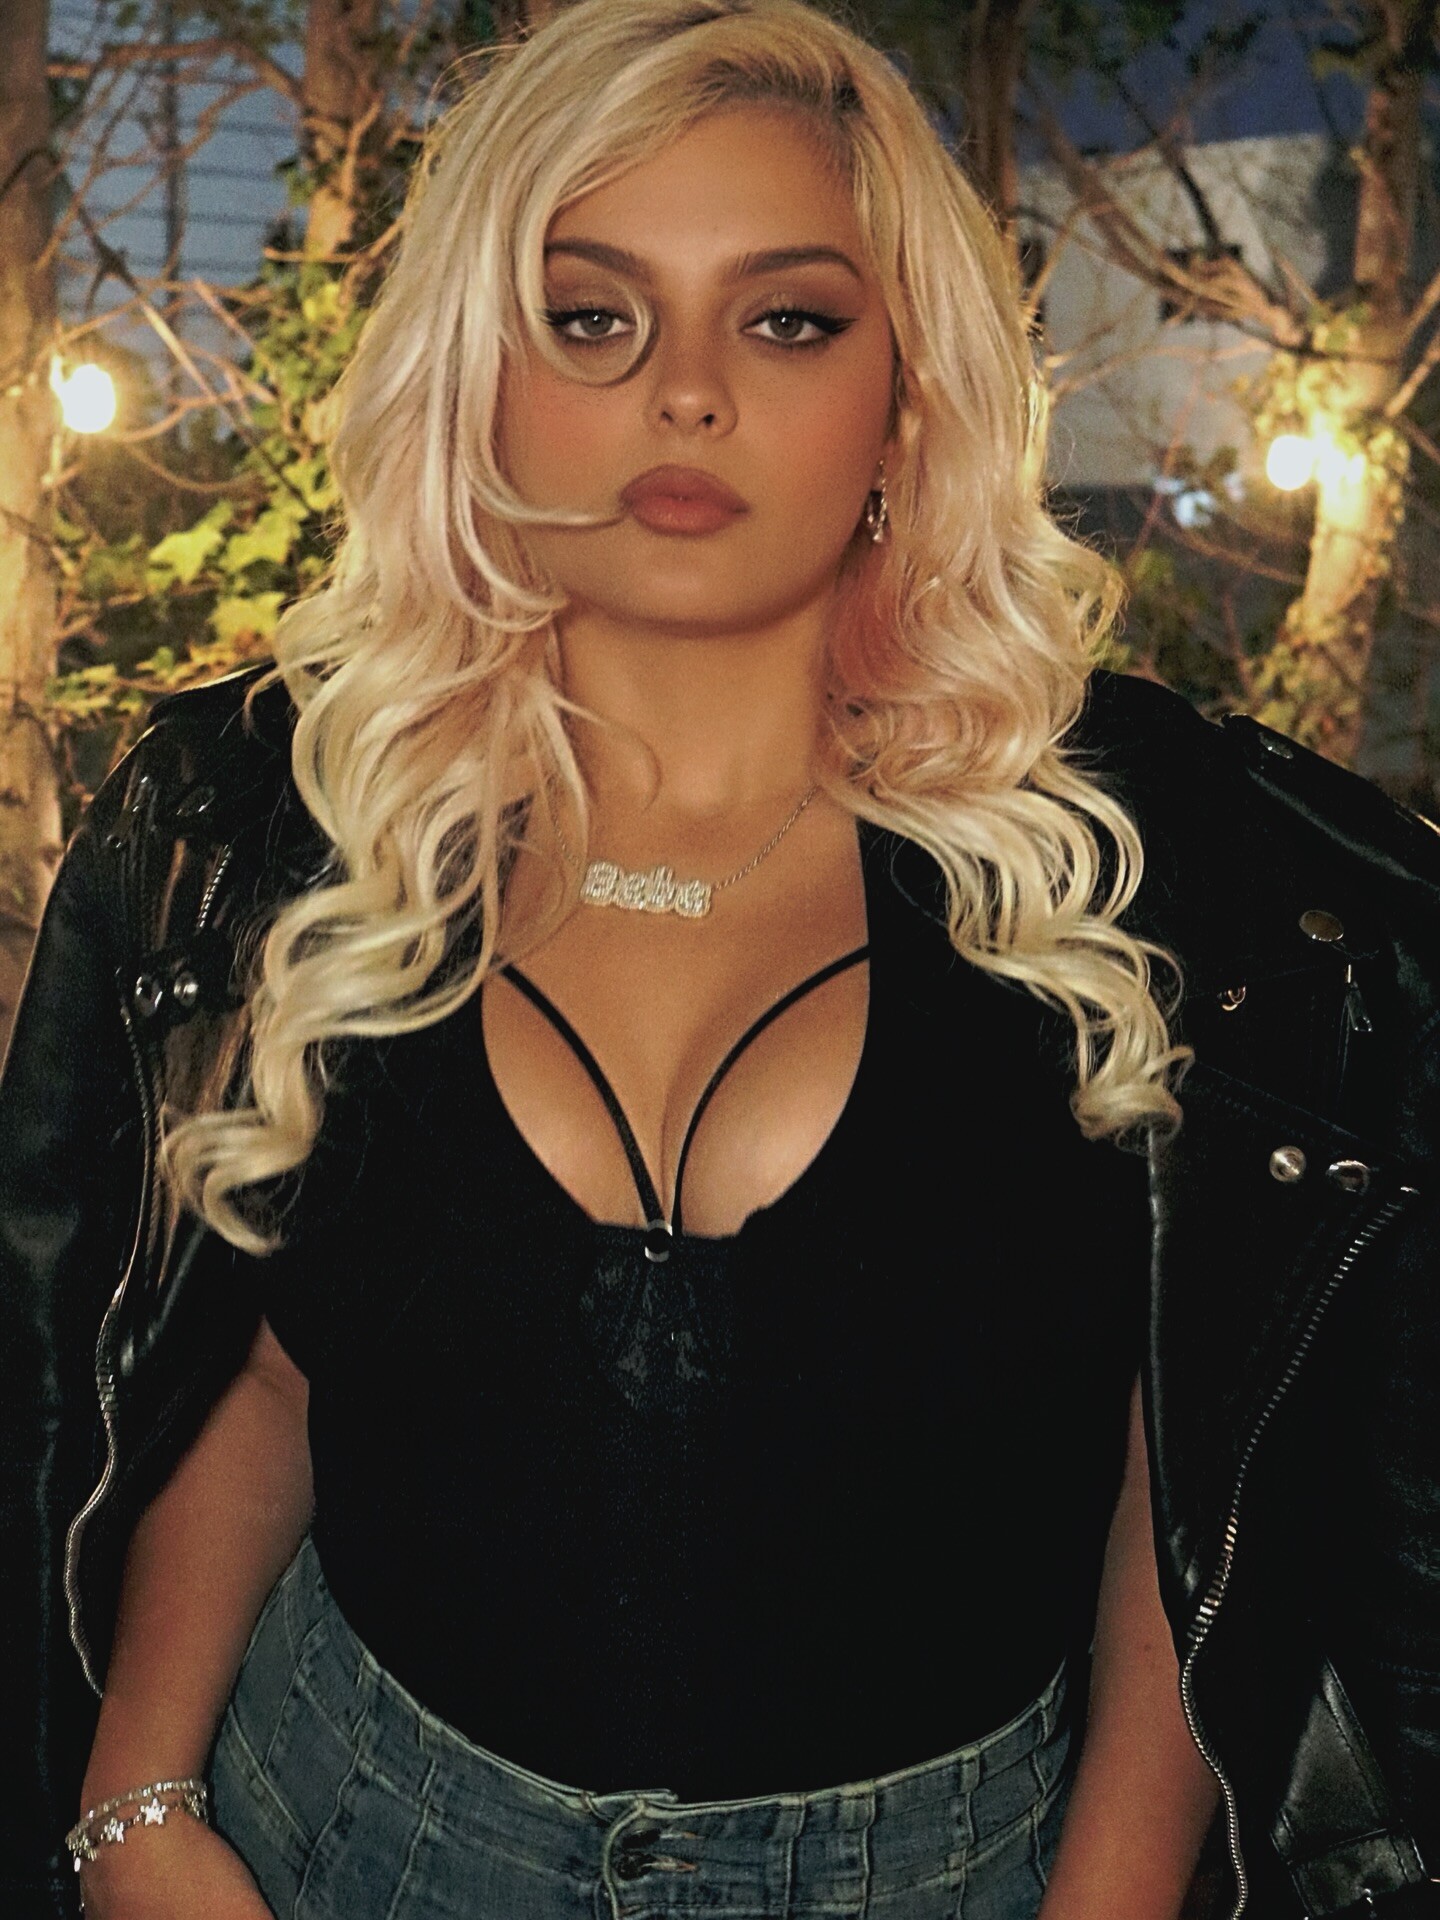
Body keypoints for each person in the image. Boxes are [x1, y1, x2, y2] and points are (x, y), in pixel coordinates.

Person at [0, 2, 1435, 1916]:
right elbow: (255, 1369)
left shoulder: (1156, 880)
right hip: (334, 1833)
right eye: (592, 316)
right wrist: (136, 1807)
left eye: (788, 321)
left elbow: (1183, 1492)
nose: (686, 395)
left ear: (905, 392)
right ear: (482, 374)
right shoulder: (287, 824)